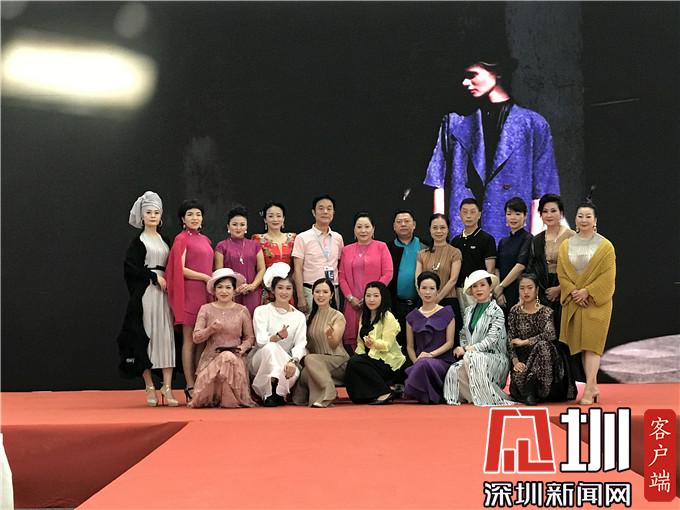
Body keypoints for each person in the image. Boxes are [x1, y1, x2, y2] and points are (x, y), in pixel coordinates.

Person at [424, 52, 560, 241]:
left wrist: (535, 243)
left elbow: (543, 191)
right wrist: (439, 237)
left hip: (513, 237)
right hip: (464, 235)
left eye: (472, 75)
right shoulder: (454, 122)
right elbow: (437, 182)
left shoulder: (533, 125)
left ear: (497, 72)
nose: (465, 82)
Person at [116, 191, 179, 406]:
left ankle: (167, 386)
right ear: (142, 216)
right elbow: (131, 267)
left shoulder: (165, 240)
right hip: (147, 294)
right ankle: (149, 385)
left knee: (166, 336)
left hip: (165, 294)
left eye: (156, 212)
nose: (152, 216)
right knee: (147, 335)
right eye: (149, 212)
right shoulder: (138, 242)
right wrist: (153, 277)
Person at [557, 200, 616, 405]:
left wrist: (587, 292)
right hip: (575, 302)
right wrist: (574, 292)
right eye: (580, 216)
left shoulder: (605, 246)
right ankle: (593, 386)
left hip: (596, 304)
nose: (584, 220)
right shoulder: (566, 245)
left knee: (593, 345)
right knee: (583, 346)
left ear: (595, 220)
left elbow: (607, 277)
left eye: (588, 216)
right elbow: (562, 274)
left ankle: (590, 388)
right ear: (575, 219)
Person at [166, 199, 214, 403]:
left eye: (198, 214)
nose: (195, 218)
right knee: (189, 340)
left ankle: (200, 382)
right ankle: (190, 385)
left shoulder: (206, 240)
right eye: (190, 214)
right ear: (182, 219)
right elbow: (180, 268)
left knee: (202, 340)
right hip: (190, 293)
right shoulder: (181, 239)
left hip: (205, 293)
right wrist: (204, 277)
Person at [443, 270, 512, 406]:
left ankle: (487, 397)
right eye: (474, 286)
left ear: (490, 287)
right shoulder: (468, 311)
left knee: (473, 358)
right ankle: (474, 397)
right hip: (473, 356)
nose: (478, 289)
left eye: (482, 285)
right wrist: (464, 347)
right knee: (454, 369)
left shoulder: (497, 311)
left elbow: (491, 340)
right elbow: (463, 334)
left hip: (495, 358)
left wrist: (467, 349)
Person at [190, 268, 256, 408]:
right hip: (212, 358)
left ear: (234, 290)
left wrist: (242, 348)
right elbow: (196, 337)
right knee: (225, 357)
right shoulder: (206, 309)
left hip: (236, 358)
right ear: (214, 290)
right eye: (220, 287)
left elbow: (250, 338)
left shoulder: (242, 310)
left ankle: (229, 398)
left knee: (228, 357)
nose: (224, 291)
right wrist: (210, 329)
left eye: (228, 287)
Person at [507, 273, 576, 405]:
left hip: (545, 360)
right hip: (523, 360)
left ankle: (536, 390)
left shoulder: (546, 312)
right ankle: (530, 390)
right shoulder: (514, 312)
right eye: (522, 288)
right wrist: (515, 362)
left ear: (537, 290)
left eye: (530, 288)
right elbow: (510, 339)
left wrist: (525, 342)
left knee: (543, 345)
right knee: (521, 375)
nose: (526, 292)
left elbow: (550, 334)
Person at [250, 263, 307, 406]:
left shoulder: (299, 316)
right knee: (271, 347)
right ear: (273, 290)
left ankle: (278, 392)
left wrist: (293, 361)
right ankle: (268, 392)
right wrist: (277, 337)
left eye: (288, 288)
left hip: (287, 362)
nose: (284, 292)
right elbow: (261, 341)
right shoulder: (261, 311)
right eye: (280, 288)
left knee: (289, 366)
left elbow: (300, 344)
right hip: (261, 360)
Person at [339, 212, 393, 350]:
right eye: (359, 227)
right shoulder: (346, 250)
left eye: (367, 227)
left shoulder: (381, 247)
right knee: (353, 341)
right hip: (353, 303)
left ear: (373, 229)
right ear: (354, 229)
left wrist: (371, 296)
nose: (363, 230)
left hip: (375, 302)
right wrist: (351, 298)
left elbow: (388, 273)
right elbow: (341, 277)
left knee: (375, 339)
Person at [345, 282, 405, 404]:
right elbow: (360, 342)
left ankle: (385, 392)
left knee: (356, 362)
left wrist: (373, 344)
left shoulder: (388, 317)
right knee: (353, 363)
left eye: (376, 296)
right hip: (370, 358)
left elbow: (387, 345)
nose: (371, 299)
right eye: (368, 296)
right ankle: (365, 395)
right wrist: (360, 354)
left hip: (387, 361)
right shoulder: (364, 316)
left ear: (383, 297)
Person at [293, 278, 348, 408]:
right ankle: (318, 399)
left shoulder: (338, 316)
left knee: (310, 360)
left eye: (325, 292)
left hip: (338, 361)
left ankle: (329, 393)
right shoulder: (309, 318)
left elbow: (334, 344)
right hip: (316, 362)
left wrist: (329, 335)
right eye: (317, 292)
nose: (321, 295)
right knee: (306, 372)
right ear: (312, 294)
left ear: (332, 295)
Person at [404, 272, 456, 404]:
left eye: (432, 288)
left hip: (442, 360)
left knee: (425, 363)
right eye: (424, 288)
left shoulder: (447, 312)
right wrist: (416, 362)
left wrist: (431, 355)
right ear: (418, 290)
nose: (427, 292)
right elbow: (410, 346)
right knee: (423, 364)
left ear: (438, 290)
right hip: (420, 362)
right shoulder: (411, 317)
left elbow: (450, 343)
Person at [527, 194, 575, 334]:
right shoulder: (536, 239)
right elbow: (532, 267)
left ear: (561, 213)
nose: (549, 215)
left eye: (553, 211)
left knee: (562, 332)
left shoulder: (572, 236)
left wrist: (560, 289)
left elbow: (578, 269)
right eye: (545, 211)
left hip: (565, 290)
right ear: (540, 215)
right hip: (542, 289)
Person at [292, 194, 344, 314]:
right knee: (311, 324)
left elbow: (340, 264)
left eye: (329, 208)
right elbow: (297, 269)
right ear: (313, 212)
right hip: (310, 291)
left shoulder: (338, 238)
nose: (325, 212)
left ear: (333, 212)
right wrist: (300, 297)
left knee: (332, 324)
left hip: (332, 292)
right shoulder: (302, 237)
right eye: (321, 208)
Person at [415, 214, 462, 344]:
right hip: (425, 303)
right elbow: (417, 280)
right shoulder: (422, 254)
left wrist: (437, 299)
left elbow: (453, 279)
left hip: (448, 301)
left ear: (448, 229)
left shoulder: (455, 252)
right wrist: (426, 298)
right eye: (435, 228)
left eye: (442, 227)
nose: (439, 231)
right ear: (430, 230)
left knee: (448, 342)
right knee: (425, 343)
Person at [214, 206, 265, 317]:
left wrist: (253, 286)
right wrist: (232, 289)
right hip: (230, 294)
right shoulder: (221, 246)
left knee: (252, 321)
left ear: (246, 227)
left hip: (252, 293)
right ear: (228, 226)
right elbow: (219, 273)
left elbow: (261, 268)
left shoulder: (255, 245)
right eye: (234, 224)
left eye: (242, 224)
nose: (238, 228)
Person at [387, 210, 424, 356]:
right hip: (396, 305)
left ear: (414, 225)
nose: (403, 224)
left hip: (419, 304)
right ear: (394, 226)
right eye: (399, 221)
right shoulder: (387, 248)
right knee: (397, 344)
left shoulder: (424, 246)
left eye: (407, 221)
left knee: (419, 343)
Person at [450, 198, 497, 312]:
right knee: (463, 320)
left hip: (478, 290)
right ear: (460, 215)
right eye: (465, 212)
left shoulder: (487, 239)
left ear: (479, 215)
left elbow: (490, 270)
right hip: (459, 290)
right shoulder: (456, 240)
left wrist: (486, 291)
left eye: (472, 212)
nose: (468, 216)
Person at [251, 201, 297, 304]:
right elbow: (255, 267)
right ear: (265, 219)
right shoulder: (257, 239)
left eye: (278, 216)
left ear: (283, 218)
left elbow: (297, 267)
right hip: (267, 288)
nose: (275, 219)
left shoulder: (293, 238)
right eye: (271, 216)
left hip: (288, 288)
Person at [493, 197, 533, 313]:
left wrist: (501, 286)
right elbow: (497, 267)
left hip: (519, 291)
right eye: (509, 214)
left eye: (517, 214)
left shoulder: (528, 238)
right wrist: (499, 292)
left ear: (525, 216)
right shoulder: (503, 242)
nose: (513, 217)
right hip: (501, 294)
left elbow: (520, 266)